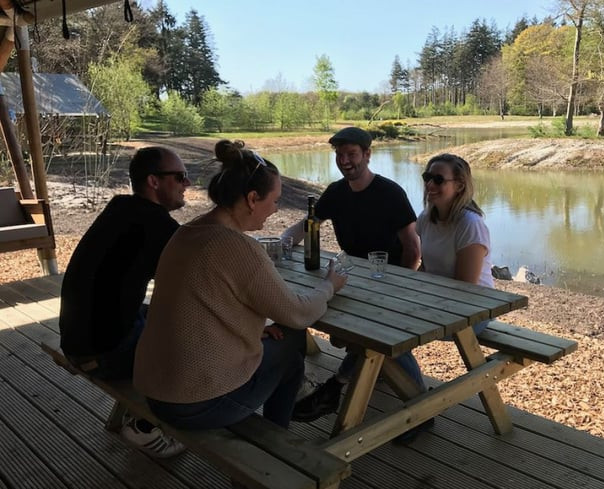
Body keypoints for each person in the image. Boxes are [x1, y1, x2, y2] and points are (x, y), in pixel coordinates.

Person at [133, 140, 347, 430]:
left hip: (155, 388)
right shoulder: (237, 247)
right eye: (274, 200)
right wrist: (329, 285)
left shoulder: (187, 232)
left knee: (282, 349)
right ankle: (278, 443)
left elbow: (203, 303)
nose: (275, 209)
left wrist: (254, 329)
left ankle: (278, 434)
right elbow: (298, 313)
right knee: (292, 343)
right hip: (194, 403)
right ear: (252, 198)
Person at [282, 126, 424, 425]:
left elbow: (413, 247)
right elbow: (309, 224)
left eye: (352, 154)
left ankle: (420, 409)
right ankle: (358, 376)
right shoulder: (336, 192)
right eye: (340, 155)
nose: (345, 161)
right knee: (311, 315)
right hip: (354, 279)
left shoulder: (390, 193)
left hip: (393, 279)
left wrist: (400, 282)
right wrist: (283, 242)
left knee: (380, 336)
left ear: (368, 155)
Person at [59, 146, 190, 458]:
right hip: (103, 353)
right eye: (180, 177)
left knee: (164, 317)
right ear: (154, 182)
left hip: (77, 339)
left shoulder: (121, 209)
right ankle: (146, 425)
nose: (187, 184)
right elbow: (198, 286)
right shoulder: (157, 226)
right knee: (199, 341)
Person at [416, 153, 494, 335]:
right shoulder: (425, 218)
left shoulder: (470, 225)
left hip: (475, 310)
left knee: (392, 329)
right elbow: (426, 267)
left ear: (459, 185)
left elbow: (465, 287)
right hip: (438, 301)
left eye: (438, 180)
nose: (429, 185)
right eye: (427, 178)